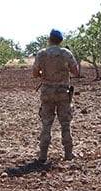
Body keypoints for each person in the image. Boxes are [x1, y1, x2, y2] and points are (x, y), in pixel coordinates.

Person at [31, 29, 80, 163]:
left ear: (49, 39)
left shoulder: (42, 54)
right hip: (63, 93)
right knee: (65, 123)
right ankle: (68, 154)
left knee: (46, 124)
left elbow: (34, 73)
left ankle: (43, 155)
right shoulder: (66, 53)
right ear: (61, 40)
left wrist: (45, 75)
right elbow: (76, 72)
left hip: (47, 93)